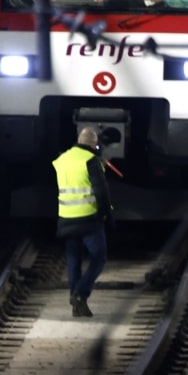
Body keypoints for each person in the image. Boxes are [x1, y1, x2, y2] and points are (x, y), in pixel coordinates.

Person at [52, 127, 114, 317]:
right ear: (93, 145)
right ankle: (81, 292)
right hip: (88, 219)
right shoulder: (91, 161)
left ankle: (76, 303)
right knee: (99, 257)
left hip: (66, 217)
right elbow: (101, 191)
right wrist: (107, 214)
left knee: (73, 260)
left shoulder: (61, 160)